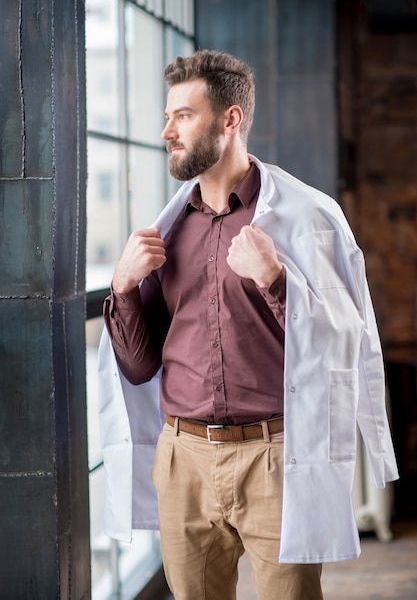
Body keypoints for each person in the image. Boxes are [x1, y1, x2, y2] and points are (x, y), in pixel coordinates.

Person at [98, 49, 398, 600]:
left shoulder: (308, 217)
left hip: (274, 459)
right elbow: (140, 368)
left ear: (230, 120)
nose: (167, 131)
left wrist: (275, 281)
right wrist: (121, 289)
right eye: (168, 116)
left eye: (183, 115)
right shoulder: (167, 234)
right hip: (182, 460)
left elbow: (341, 350)